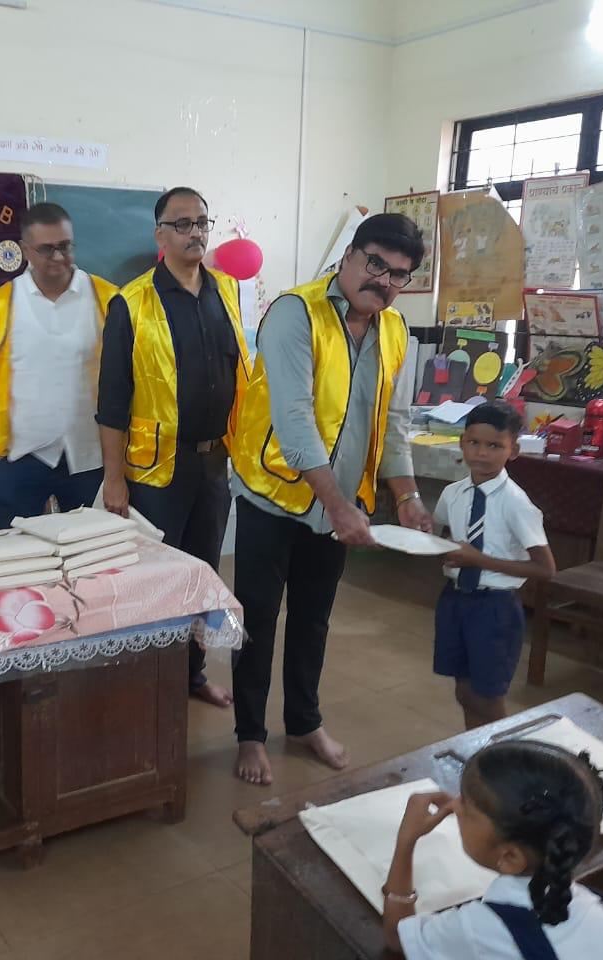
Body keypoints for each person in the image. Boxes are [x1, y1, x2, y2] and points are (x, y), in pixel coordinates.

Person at [228, 213, 431, 786]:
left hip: (339, 508)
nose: (384, 282)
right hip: (274, 496)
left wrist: (408, 494)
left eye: (399, 275)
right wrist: (338, 505)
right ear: (349, 256)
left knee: (314, 619)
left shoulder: (395, 331)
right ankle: (249, 734)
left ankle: (303, 722)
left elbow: (393, 420)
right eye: (375, 265)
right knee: (258, 619)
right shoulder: (295, 312)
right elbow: (293, 419)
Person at [96, 186, 252, 708]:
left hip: (214, 463)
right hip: (155, 471)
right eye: (182, 224)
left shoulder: (226, 291)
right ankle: (144, 684)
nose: (195, 233)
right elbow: (112, 400)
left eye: (202, 223)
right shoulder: (131, 302)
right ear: (159, 233)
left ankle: (190, 675)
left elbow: (242, 376)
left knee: (201, 574)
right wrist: (114, 478)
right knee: (152, 582)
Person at [384, 740, 603, 959]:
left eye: (467, 806)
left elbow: (397, 938)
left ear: (510, 857)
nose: (453, 806)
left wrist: (405, 842)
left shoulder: (479, 927)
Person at [0, 203, 118, 528]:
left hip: (90, 457)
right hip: (24, 456)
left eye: (65, 247)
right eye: (46, 249)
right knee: (18, 560)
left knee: (90, 559)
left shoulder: (108, 299)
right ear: (26, 250)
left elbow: (123, 379)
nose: (57, 257)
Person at [433, 400, 555, 730]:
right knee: (464, 692)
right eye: (474, 443)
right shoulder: (452, 494)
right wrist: (435, 545)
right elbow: (443, 531)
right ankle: (476, 752)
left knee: (488, 697)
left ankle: (499, 760)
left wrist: (479, 560)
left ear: (513, 450)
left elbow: (545, 569)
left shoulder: (516, 503)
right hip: (456, 600)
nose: (482, 453)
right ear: (462, 442)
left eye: (494, 446)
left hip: (495, 609)